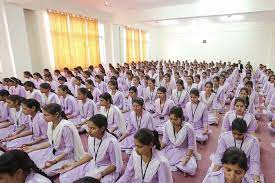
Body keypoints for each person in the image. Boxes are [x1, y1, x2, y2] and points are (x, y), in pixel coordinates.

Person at [23, 103, 86, 176]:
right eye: (43, 114)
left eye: (46, 115)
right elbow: (50, 142)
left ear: (56, 114)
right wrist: (32, 148)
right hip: (55, 150)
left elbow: (70, 148)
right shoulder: (51, 123)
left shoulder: (65, 127)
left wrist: (55, 160)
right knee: (31, 155)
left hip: (66, 155)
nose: (43, 117)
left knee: (44, 172)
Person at [59, 114, 123, 183]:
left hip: (107, 169)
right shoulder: (91, 137)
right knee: (64, 177)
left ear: (102, 128)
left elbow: (114, 165)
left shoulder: (111, 142)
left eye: (93, 128)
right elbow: (90, 155)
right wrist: (73, 165)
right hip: (93, 164)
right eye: (88, 127)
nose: (89, 131)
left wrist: (101, 174)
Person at [210, 118, 262, 183]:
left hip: (243, 169)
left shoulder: (253, 141)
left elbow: (254, 162)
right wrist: (213, 174)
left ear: (245, 132)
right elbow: (219, 156)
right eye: (234, 133)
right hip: (228, 166)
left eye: (239, 134)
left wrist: (256, 180)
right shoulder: (224, 137)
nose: (236, 136)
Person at [161, 106, 199, 176]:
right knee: (157, 159)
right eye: (171, 119)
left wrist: (187, 158)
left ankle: (176, 166)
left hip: (183, 152)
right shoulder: (167, 124)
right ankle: (179, 167)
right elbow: (165, 141)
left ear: (181, 118)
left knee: (192, 168)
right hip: (171, 150)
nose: (172, 121)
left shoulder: (188, 127)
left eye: (175, 119)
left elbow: (191, 146)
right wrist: (157, 150)